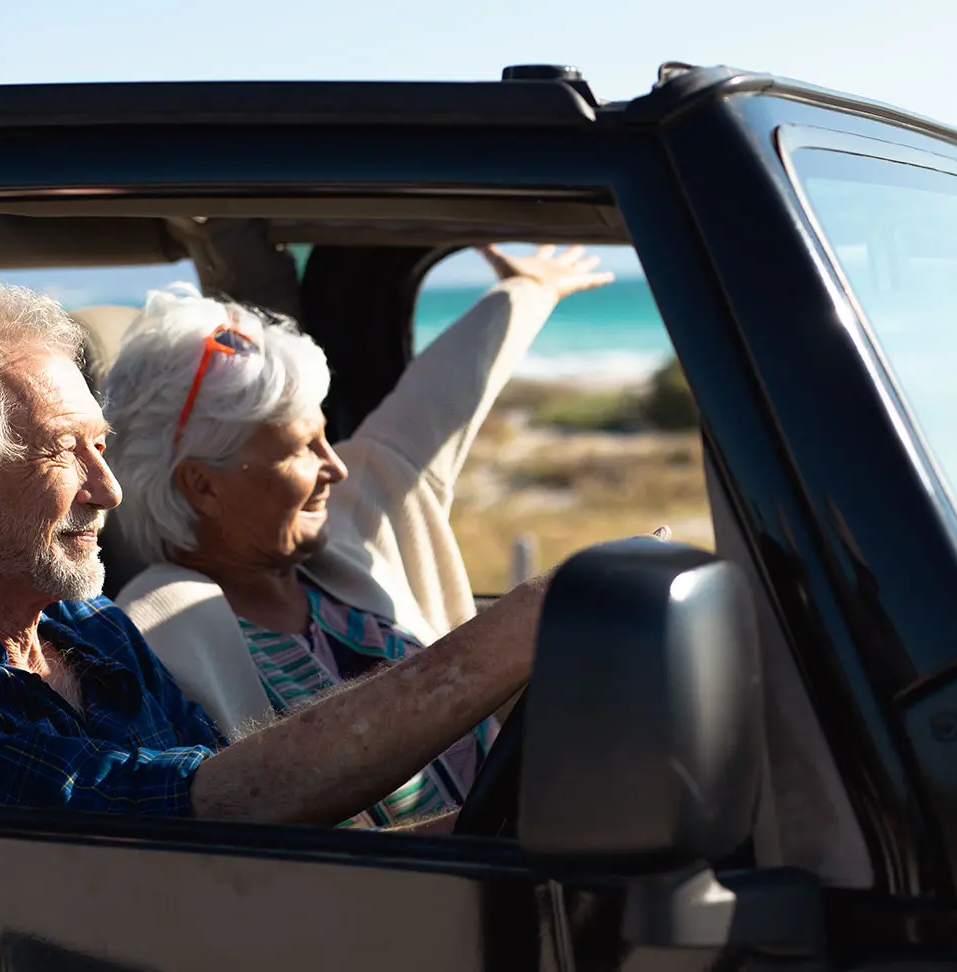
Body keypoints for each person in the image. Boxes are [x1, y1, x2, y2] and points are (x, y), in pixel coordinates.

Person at [0, 276, 553, 828]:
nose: (107, 490)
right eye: (62, 452)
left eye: (103, 446)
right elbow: (189, 808)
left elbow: (266, 847)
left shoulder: (90, 626)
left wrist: (500, 842)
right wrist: (509, 635)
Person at [100, 246, 612, 826]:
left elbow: (442, 397)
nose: (335, 467)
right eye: (301, 449)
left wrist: (528, 291)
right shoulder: (158, 633)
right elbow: (272, 867)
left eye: (326, 437)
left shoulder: (347, 522)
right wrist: (518, 830)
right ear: (203, 485)